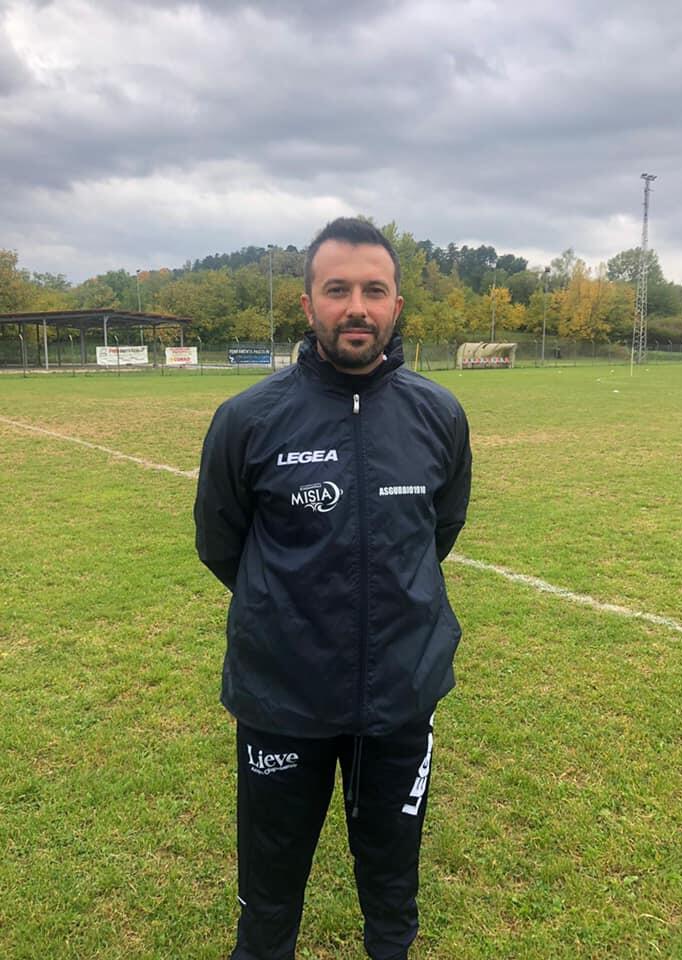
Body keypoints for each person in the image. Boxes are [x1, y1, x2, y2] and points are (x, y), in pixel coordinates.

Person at [194, 217, 471, 960]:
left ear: (397, 306)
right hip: (282, 699)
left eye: (373, 290)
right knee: (270, 894)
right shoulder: (247, 420)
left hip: (401, 696)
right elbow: (222, 546)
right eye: (337, 289)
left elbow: (438, 534)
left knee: (391, 889)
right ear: (309, 303)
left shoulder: (439, 415)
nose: (357, 306)